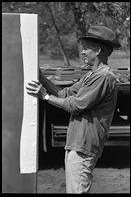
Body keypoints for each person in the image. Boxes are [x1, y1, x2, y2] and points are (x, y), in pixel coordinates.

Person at [26, 25, 121, 193]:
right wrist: (41, 77)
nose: (82, 52)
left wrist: (45, 96)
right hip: (77, 143)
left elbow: (75, 105)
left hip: (84, 145)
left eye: (85, 48)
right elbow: (64, 94)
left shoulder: (104, 77)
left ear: (98, 50)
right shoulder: (91, 75)